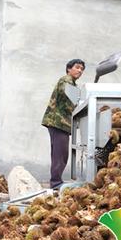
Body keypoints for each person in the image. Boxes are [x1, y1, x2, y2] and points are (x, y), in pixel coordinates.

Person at [41, 59, 85, 189]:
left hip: (60, 123)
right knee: (60, 154)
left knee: (60, 153)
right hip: (57, 122)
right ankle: (55, 183)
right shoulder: (66, 80)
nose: (80, 70)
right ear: (69, 69)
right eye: (77, 67)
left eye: (82, 69)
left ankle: (56, 182)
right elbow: (71, 101)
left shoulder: (72, 84)